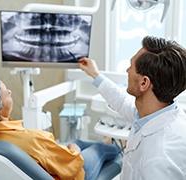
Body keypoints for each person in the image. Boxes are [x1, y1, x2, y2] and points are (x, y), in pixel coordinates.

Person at [0, 69, 121, 180]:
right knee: (97, 149)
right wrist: (74, 151)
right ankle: (117, 147)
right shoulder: (31, 140)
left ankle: (106, 143)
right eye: (7, 93)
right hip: (76, 175)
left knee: (77, 141)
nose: (10, 95)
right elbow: (73, 167)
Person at [78, 36, 186, 180]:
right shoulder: (158, 111)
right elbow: (122, 101)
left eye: (131, 65)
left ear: (144, 83)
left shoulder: (158, 159)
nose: (127, 70)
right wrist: (95, 74)